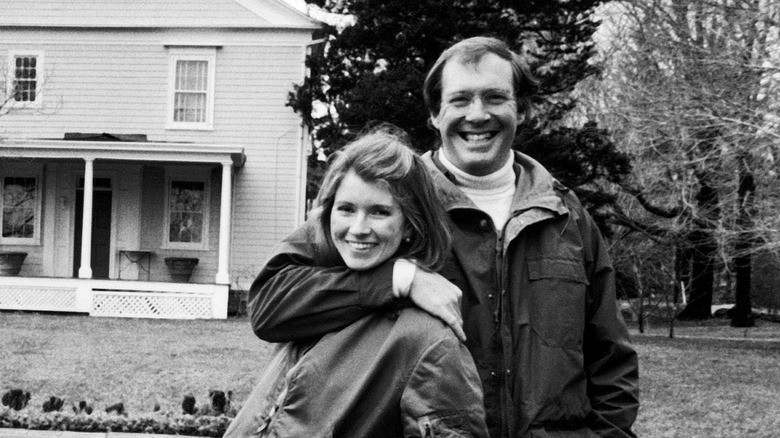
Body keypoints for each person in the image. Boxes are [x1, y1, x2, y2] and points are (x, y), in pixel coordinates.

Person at [250, 36, 639, 437]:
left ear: (520, 109)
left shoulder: (566, 215)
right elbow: (270, 302)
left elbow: (612, 360)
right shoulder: (388, 199)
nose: (477, 114)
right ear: (435, 114)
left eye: (494, 98)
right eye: (459, 100)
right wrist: (399, 281)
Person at [228, 127, 489, 437]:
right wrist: (398, 279)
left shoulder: (430, 340)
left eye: (380, 212)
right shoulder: (314, 292)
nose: (358, 228)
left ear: (409, 225)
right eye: (346, 209)